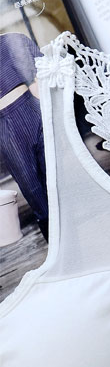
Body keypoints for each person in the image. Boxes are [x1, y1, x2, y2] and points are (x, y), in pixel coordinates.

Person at [0, 32, 48, 240]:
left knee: (55, 180)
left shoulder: (13, 40)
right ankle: (58, 247)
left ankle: (74, 241)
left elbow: (46, 68)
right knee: (33, 190)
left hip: (33, 109)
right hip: (6, 125)